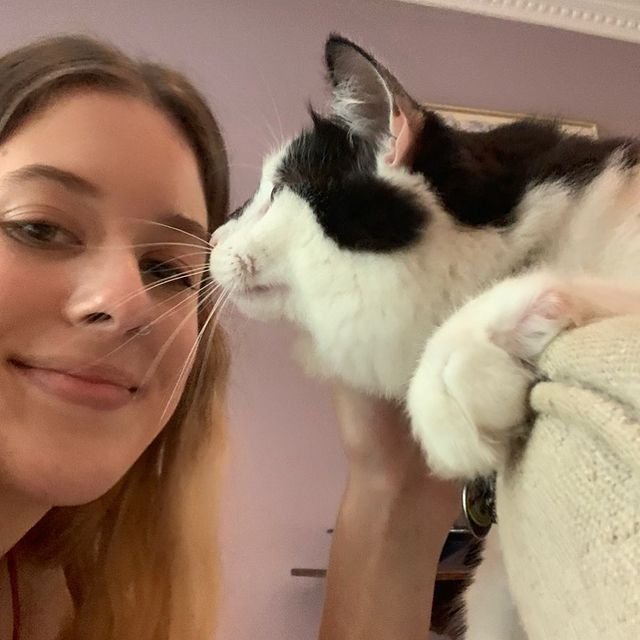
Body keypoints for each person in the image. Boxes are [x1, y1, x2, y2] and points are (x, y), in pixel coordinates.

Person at [0, 35, 459, 640]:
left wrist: (391, 485)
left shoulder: (55, 588)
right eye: (39, 227)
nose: (126, 302)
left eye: (167, 269)